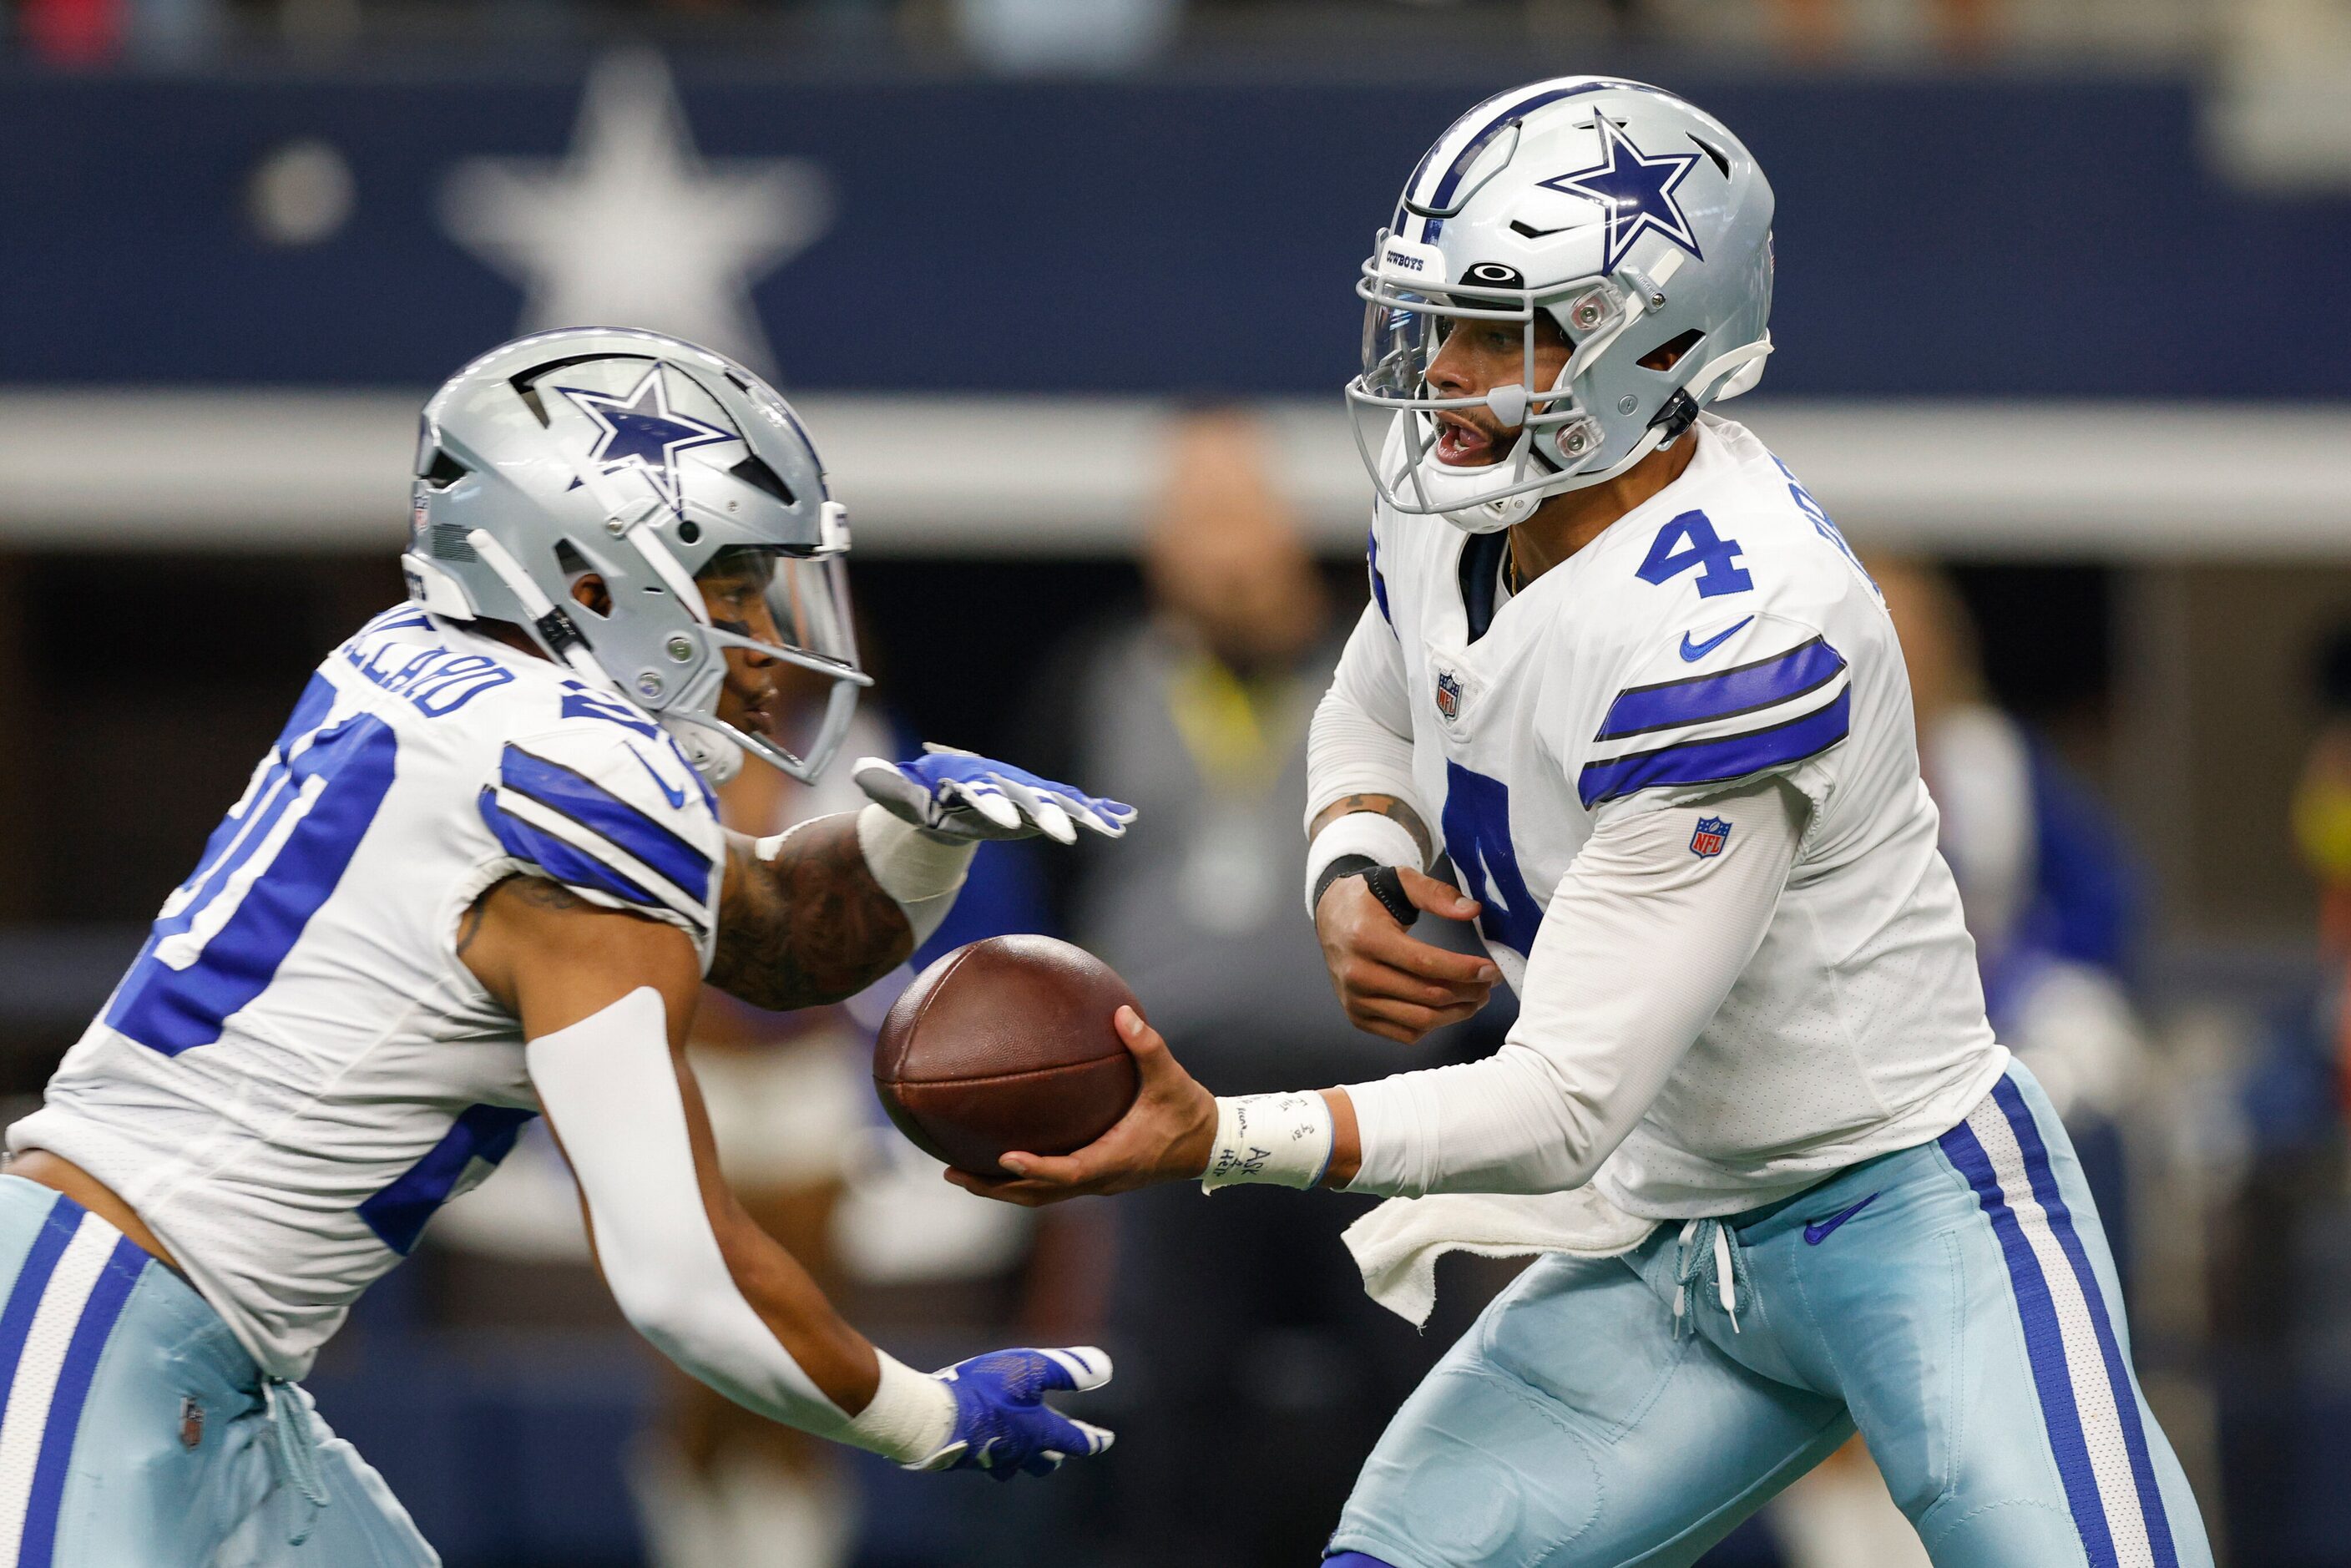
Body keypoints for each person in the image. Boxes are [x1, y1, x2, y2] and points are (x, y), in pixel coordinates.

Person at [953, 79, 2217, 1567]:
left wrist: (1218, 1136)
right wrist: (1352, 852)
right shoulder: (1459, 498)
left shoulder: (1740, 625)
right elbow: (1371, 699)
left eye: (1509, 328)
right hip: (1672, 1231)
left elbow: (1558, 1105)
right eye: (1442, 323)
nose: (1451, 373)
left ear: (1659, 346)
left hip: (1907, 1211)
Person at [0, 328, 1130, 1566]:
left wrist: (915, 842)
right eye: (735, 588)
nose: (768, 645)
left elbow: (767, 939)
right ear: (590, 583)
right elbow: (681, 1276)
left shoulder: (429, 665)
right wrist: (929, 1414)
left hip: (195, 1348)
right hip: (98, 1322)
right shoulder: (581, 789)